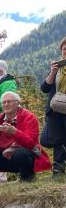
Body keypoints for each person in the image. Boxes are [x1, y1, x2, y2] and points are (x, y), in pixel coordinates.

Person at [0, 91, 52, 186]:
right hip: (3, 157)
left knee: (20, 153)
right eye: (3, 102)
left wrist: (15, 132)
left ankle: (27, 177)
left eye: (9, 102)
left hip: (22, 157)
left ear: (18, 103)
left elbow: (31, 143)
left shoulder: (29, 117)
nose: (6, 104)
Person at [41, 36, 66, 176]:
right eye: (64, 49)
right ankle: (58, 171)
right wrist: (52, 73)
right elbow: (44, 88)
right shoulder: (57, 70)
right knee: (57, 140)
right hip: (55, 110)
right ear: (61, 52)